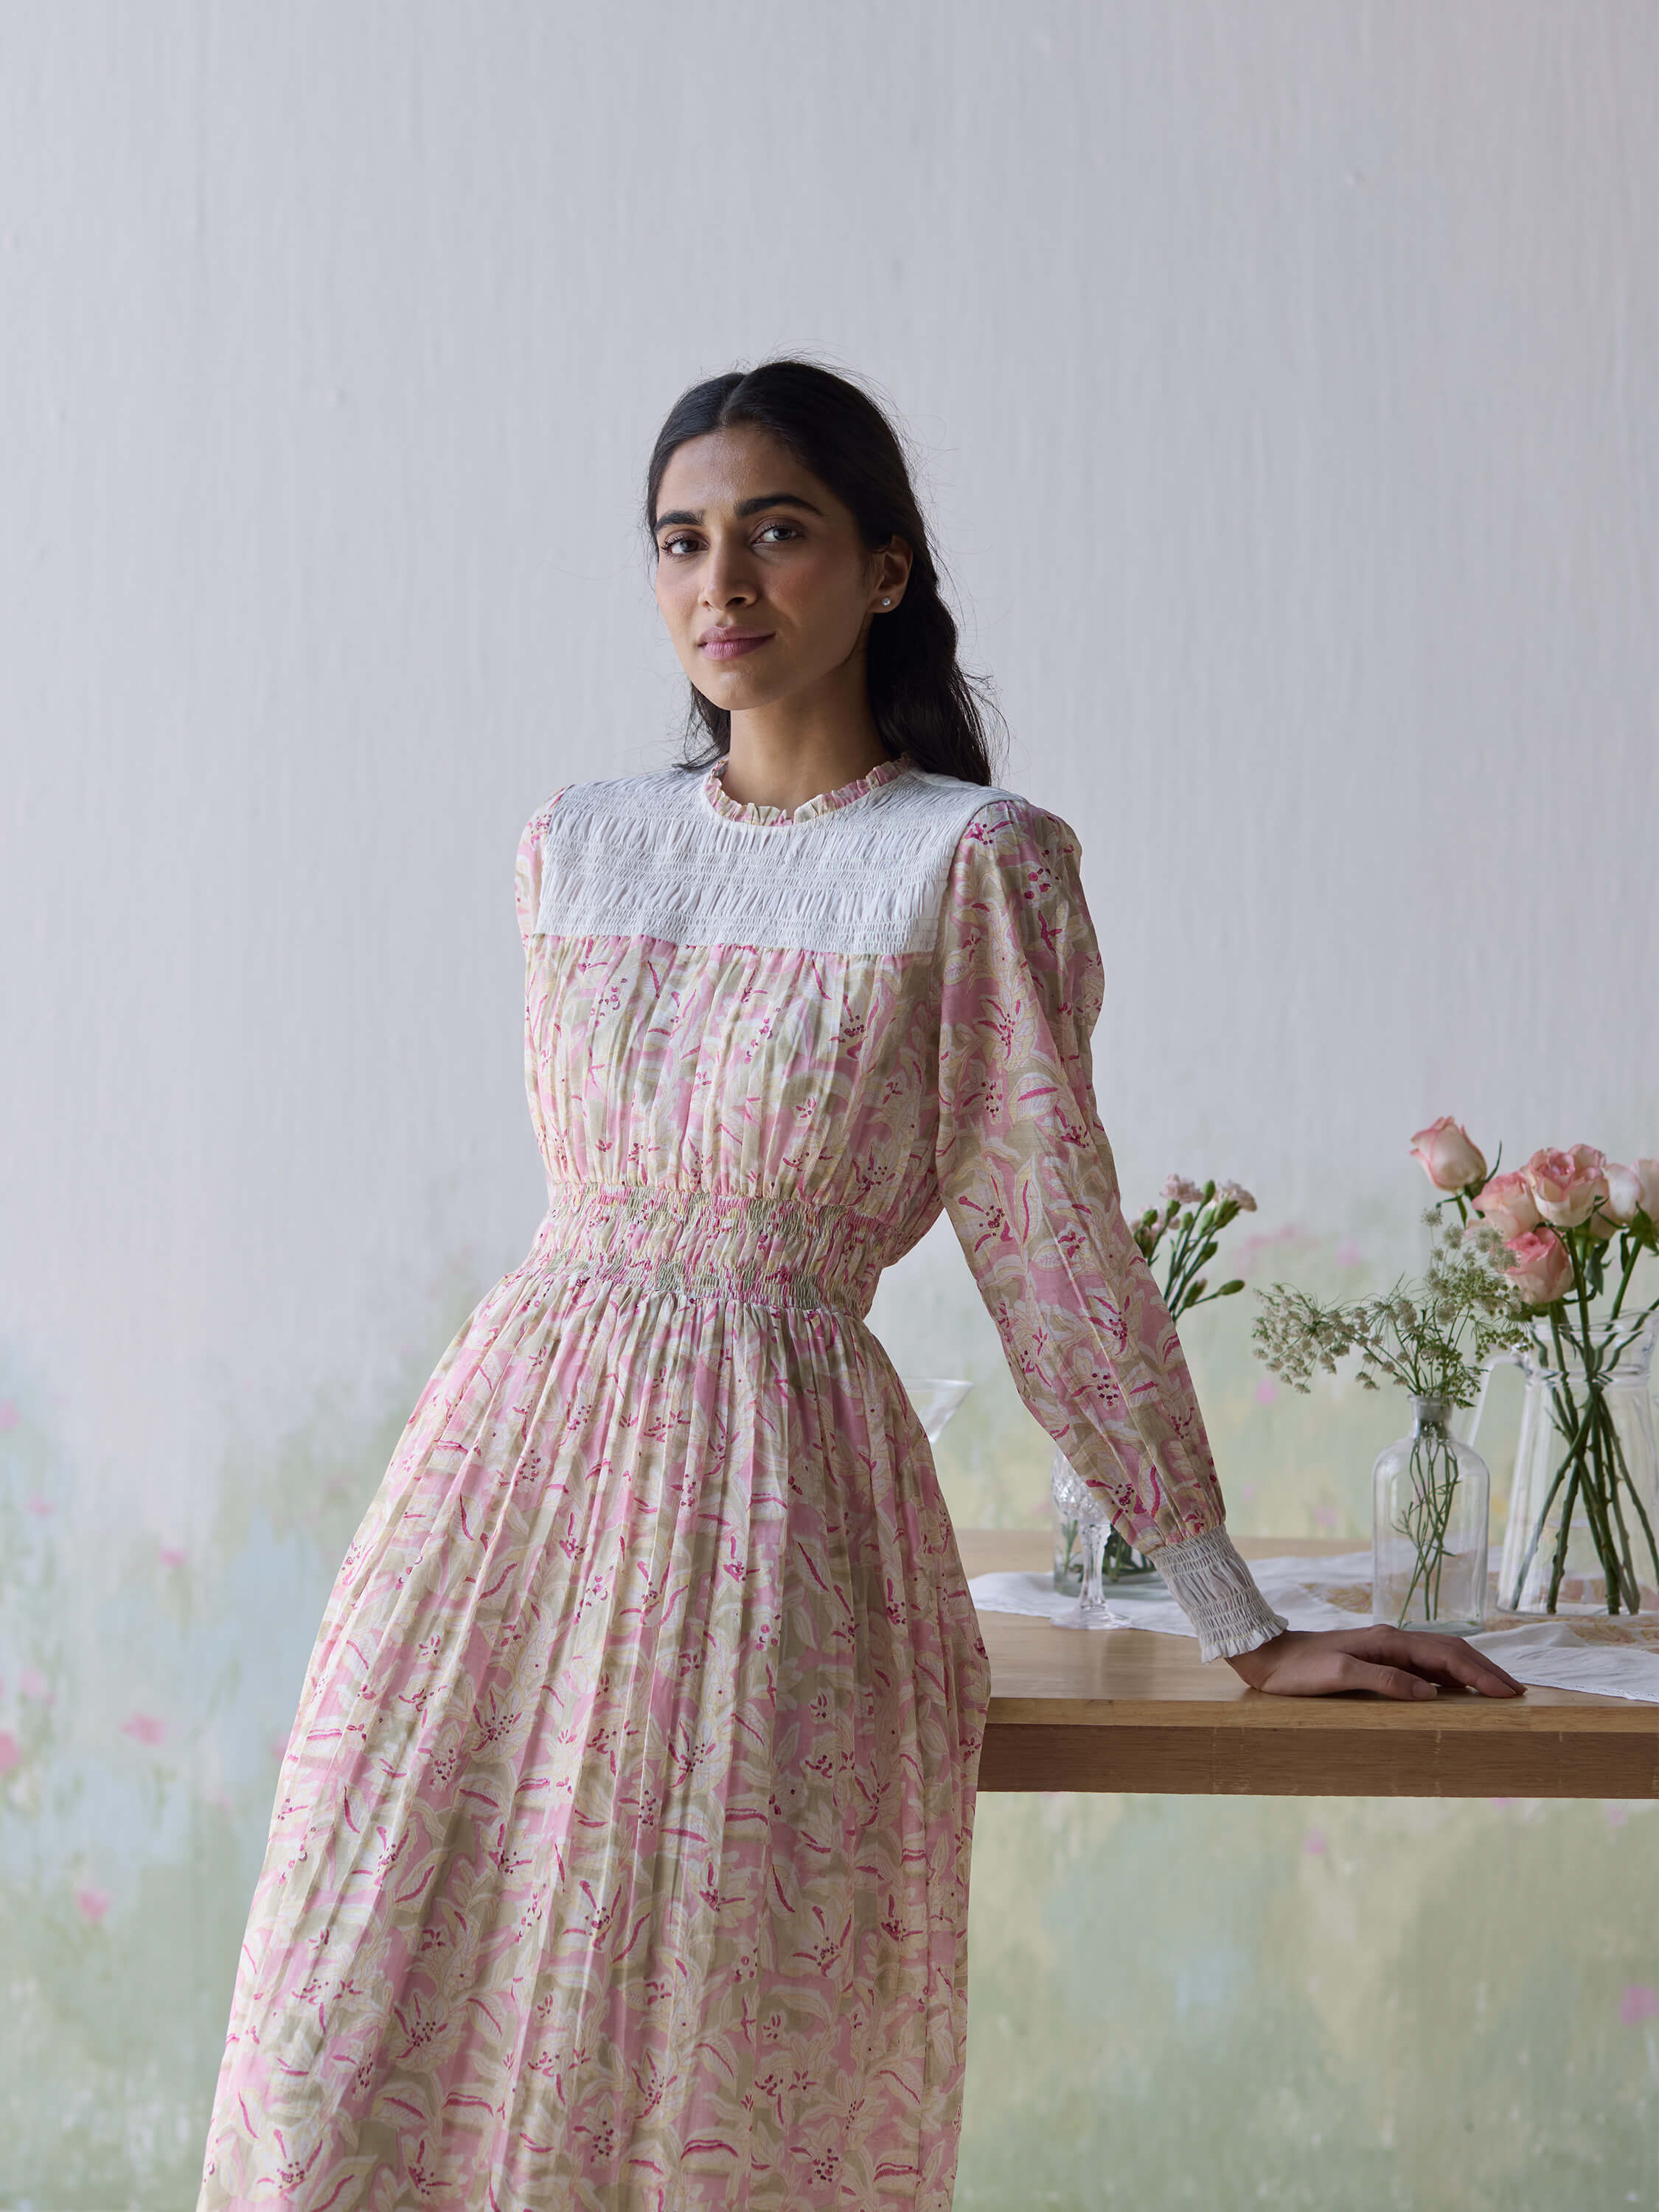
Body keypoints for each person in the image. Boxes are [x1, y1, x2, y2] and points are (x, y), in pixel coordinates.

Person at [196, 358, 1523, 2211]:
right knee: (354, 2020)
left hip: (769, 1504)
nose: (721, 581)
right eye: (682, 541)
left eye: (777, 531)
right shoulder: (575, 844)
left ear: (887, 567)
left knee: (703, 2041)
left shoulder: (971, 866)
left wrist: (1237, 1617)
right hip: (497, 1494)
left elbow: (1057, 1249)